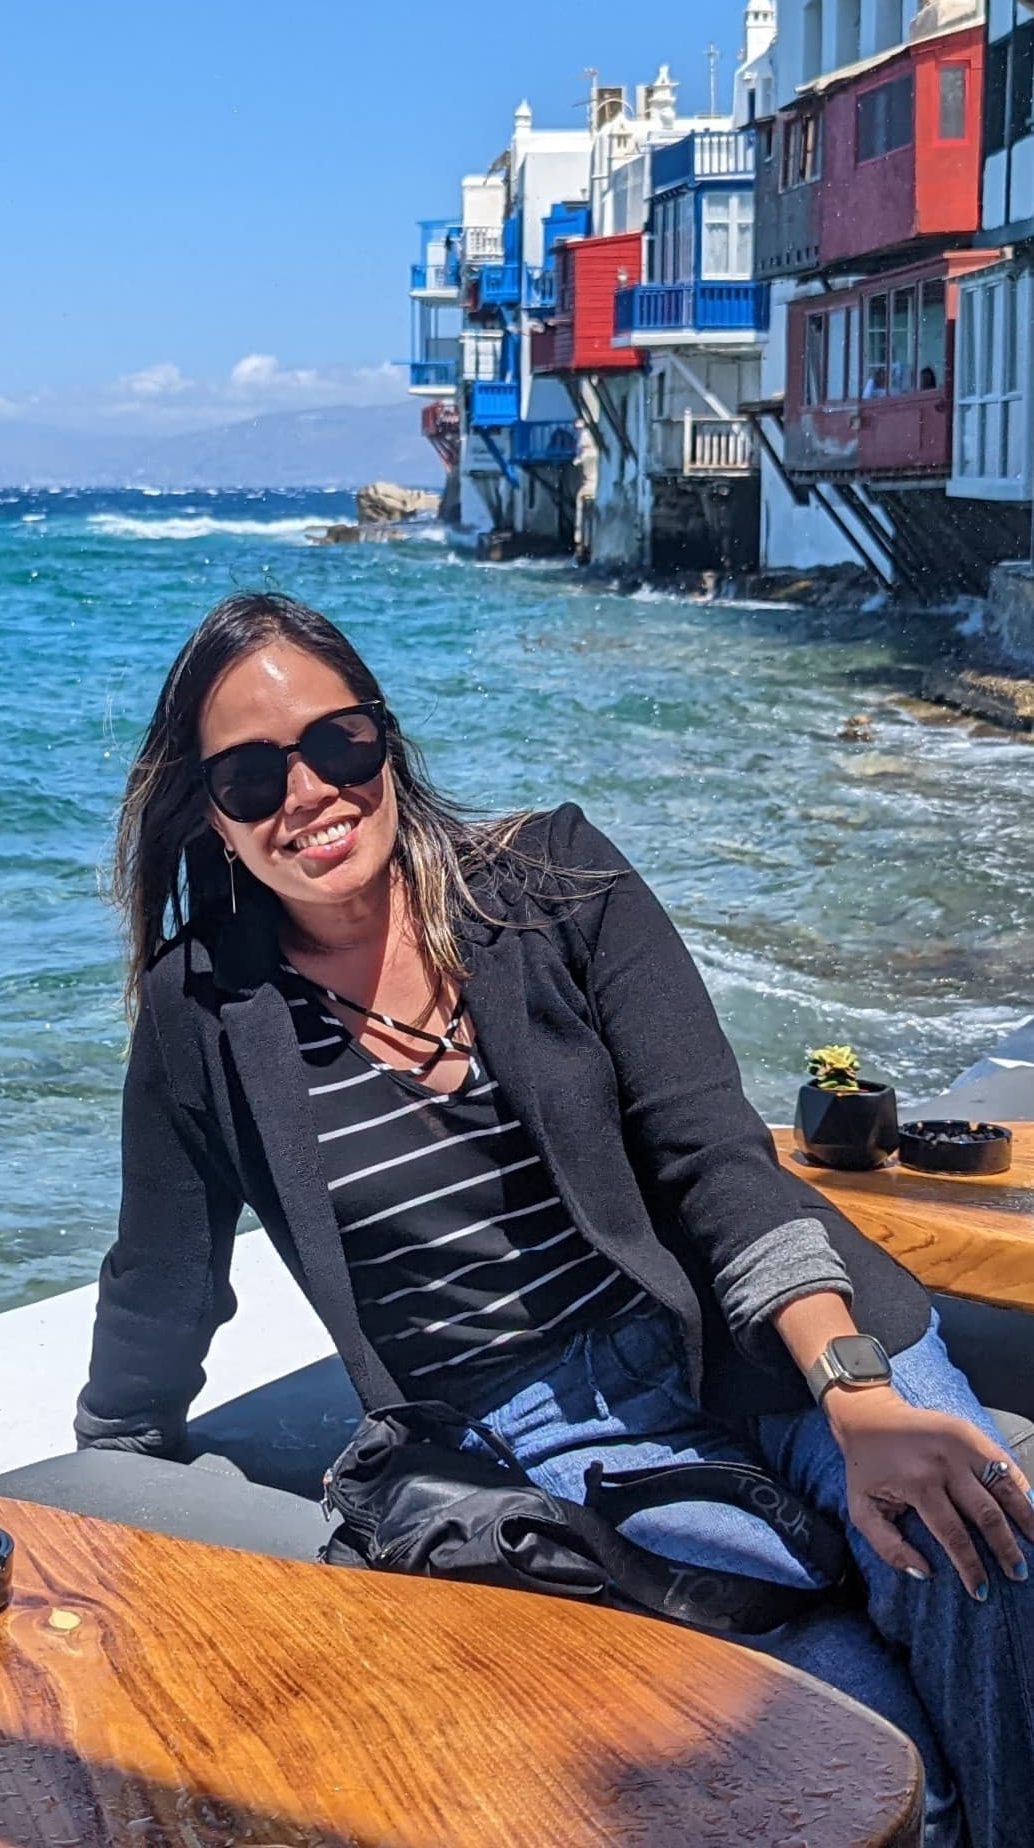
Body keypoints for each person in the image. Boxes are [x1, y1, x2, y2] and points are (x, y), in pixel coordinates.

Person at [78, 591, 1032, 1848]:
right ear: (210, 811)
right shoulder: (203, 1012)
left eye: (336, 742)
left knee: (978, 1547)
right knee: (863, 1754)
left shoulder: (553, 884)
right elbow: (162, 1273)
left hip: (758, 1328)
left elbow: (713, 1155)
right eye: (252, 776)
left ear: (383, 737)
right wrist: (107, 1460)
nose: (307, 794)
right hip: (539, 1434)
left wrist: (854, 1392)